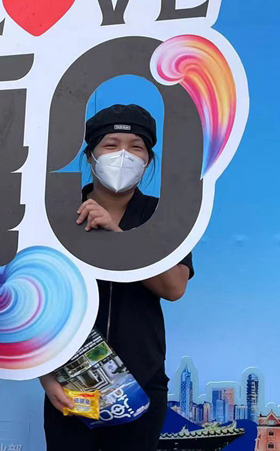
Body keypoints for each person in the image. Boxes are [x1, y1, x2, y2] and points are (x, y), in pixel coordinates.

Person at [40, 104, 194, 451]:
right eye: (111, 145)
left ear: (148, 160)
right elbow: (37, 297)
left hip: (141, 382)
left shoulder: (162, 215)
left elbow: (174, 287)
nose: (123, 155)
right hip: (69, 380)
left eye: (136, 147)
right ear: (90, 156)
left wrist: (118, 237)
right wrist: (45, 376)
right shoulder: (57, 214)